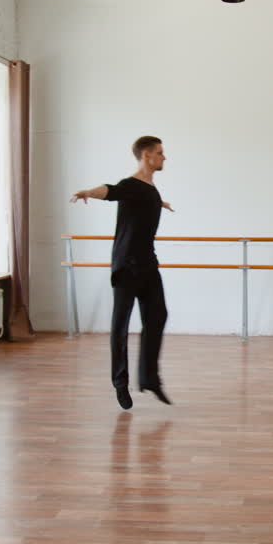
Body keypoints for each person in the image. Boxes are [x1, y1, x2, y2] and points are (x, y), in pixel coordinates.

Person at [72, 135, 174, 410]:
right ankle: (120, 382)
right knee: (121, 325)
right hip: (127, 265)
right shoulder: (131, 185)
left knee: (158, 314)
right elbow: (110, 190)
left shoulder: (150, 189)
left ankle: (149, 378)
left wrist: (159, 204)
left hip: (148, 264)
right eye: (160, 153)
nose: (164, 157)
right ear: (146, 156)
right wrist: (88, 193)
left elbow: (143, 204)